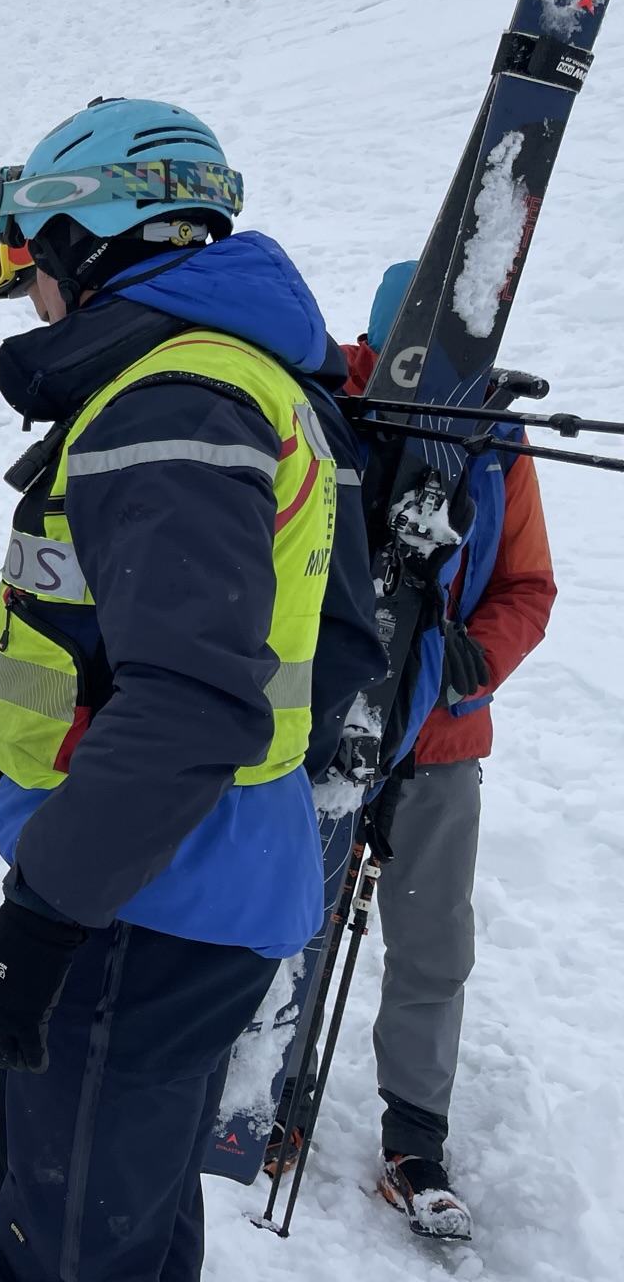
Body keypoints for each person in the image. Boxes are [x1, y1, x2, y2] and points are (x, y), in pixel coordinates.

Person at [0, 98, 383, 1281]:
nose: (32, 298)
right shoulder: (241, 381)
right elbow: (320, 647)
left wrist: (42, 917)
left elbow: (192, 699)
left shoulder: (170, 403)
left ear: (88, 234)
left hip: (141, 904)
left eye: (32, 262)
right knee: (122, 1224)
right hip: (190, 882)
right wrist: (56, 711)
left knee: (70, 1249)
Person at [342, 260, 554, 1241]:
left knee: (431, 944)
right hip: (333, 721)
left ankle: (414, 1139)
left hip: (443, 736)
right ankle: (257, 1092)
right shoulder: (333, 403)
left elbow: (526, 586)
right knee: (295, 918)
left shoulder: (496, 441)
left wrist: (473, 664)